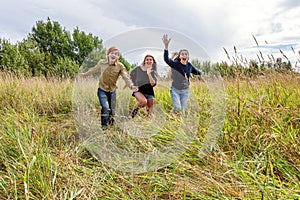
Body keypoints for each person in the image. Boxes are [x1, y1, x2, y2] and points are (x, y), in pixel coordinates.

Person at [79, 46, 138, 130]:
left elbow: (126, 77)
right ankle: (104, 126)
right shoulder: (102, 63)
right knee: (106, 107)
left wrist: (131, 86)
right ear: (108, 54)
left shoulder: (120, 66)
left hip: (112, 90)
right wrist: (85, 74)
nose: (114, 55)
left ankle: (111, 124)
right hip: (102, 89)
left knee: (112, 110)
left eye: (116, 54)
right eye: (112, 53)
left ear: (118, 57)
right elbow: (94, 70)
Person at [162, 34, 202, 115]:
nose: (184, 55)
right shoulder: (175, 64)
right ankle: (171, 114)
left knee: (182, 111)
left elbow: (197, 72)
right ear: (179, 56)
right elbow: (167, 60)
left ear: (188, 56)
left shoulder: (189, 65)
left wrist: (203, 73)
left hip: (185, 91)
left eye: (186, 54)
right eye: (182, 54)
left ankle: (178, 123)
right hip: (175, 90)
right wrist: (166, 46)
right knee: (178, 108)